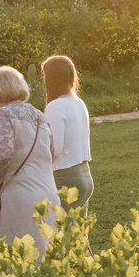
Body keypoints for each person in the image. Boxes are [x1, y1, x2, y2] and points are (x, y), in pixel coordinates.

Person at [0, 65, 61, 258]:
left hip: (19, 197)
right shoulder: (39, 115)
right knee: (47, 254)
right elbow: (52, 152)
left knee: (18, 258)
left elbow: (2, 155)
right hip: (49, 192)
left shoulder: (3, 115)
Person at [41, 53, 94, 210]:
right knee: (77, 232)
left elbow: (55, 149)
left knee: (59, 231)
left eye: (44, 75)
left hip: (65, 179)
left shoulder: (55, 106)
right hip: (84, 175)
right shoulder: (78, 102)